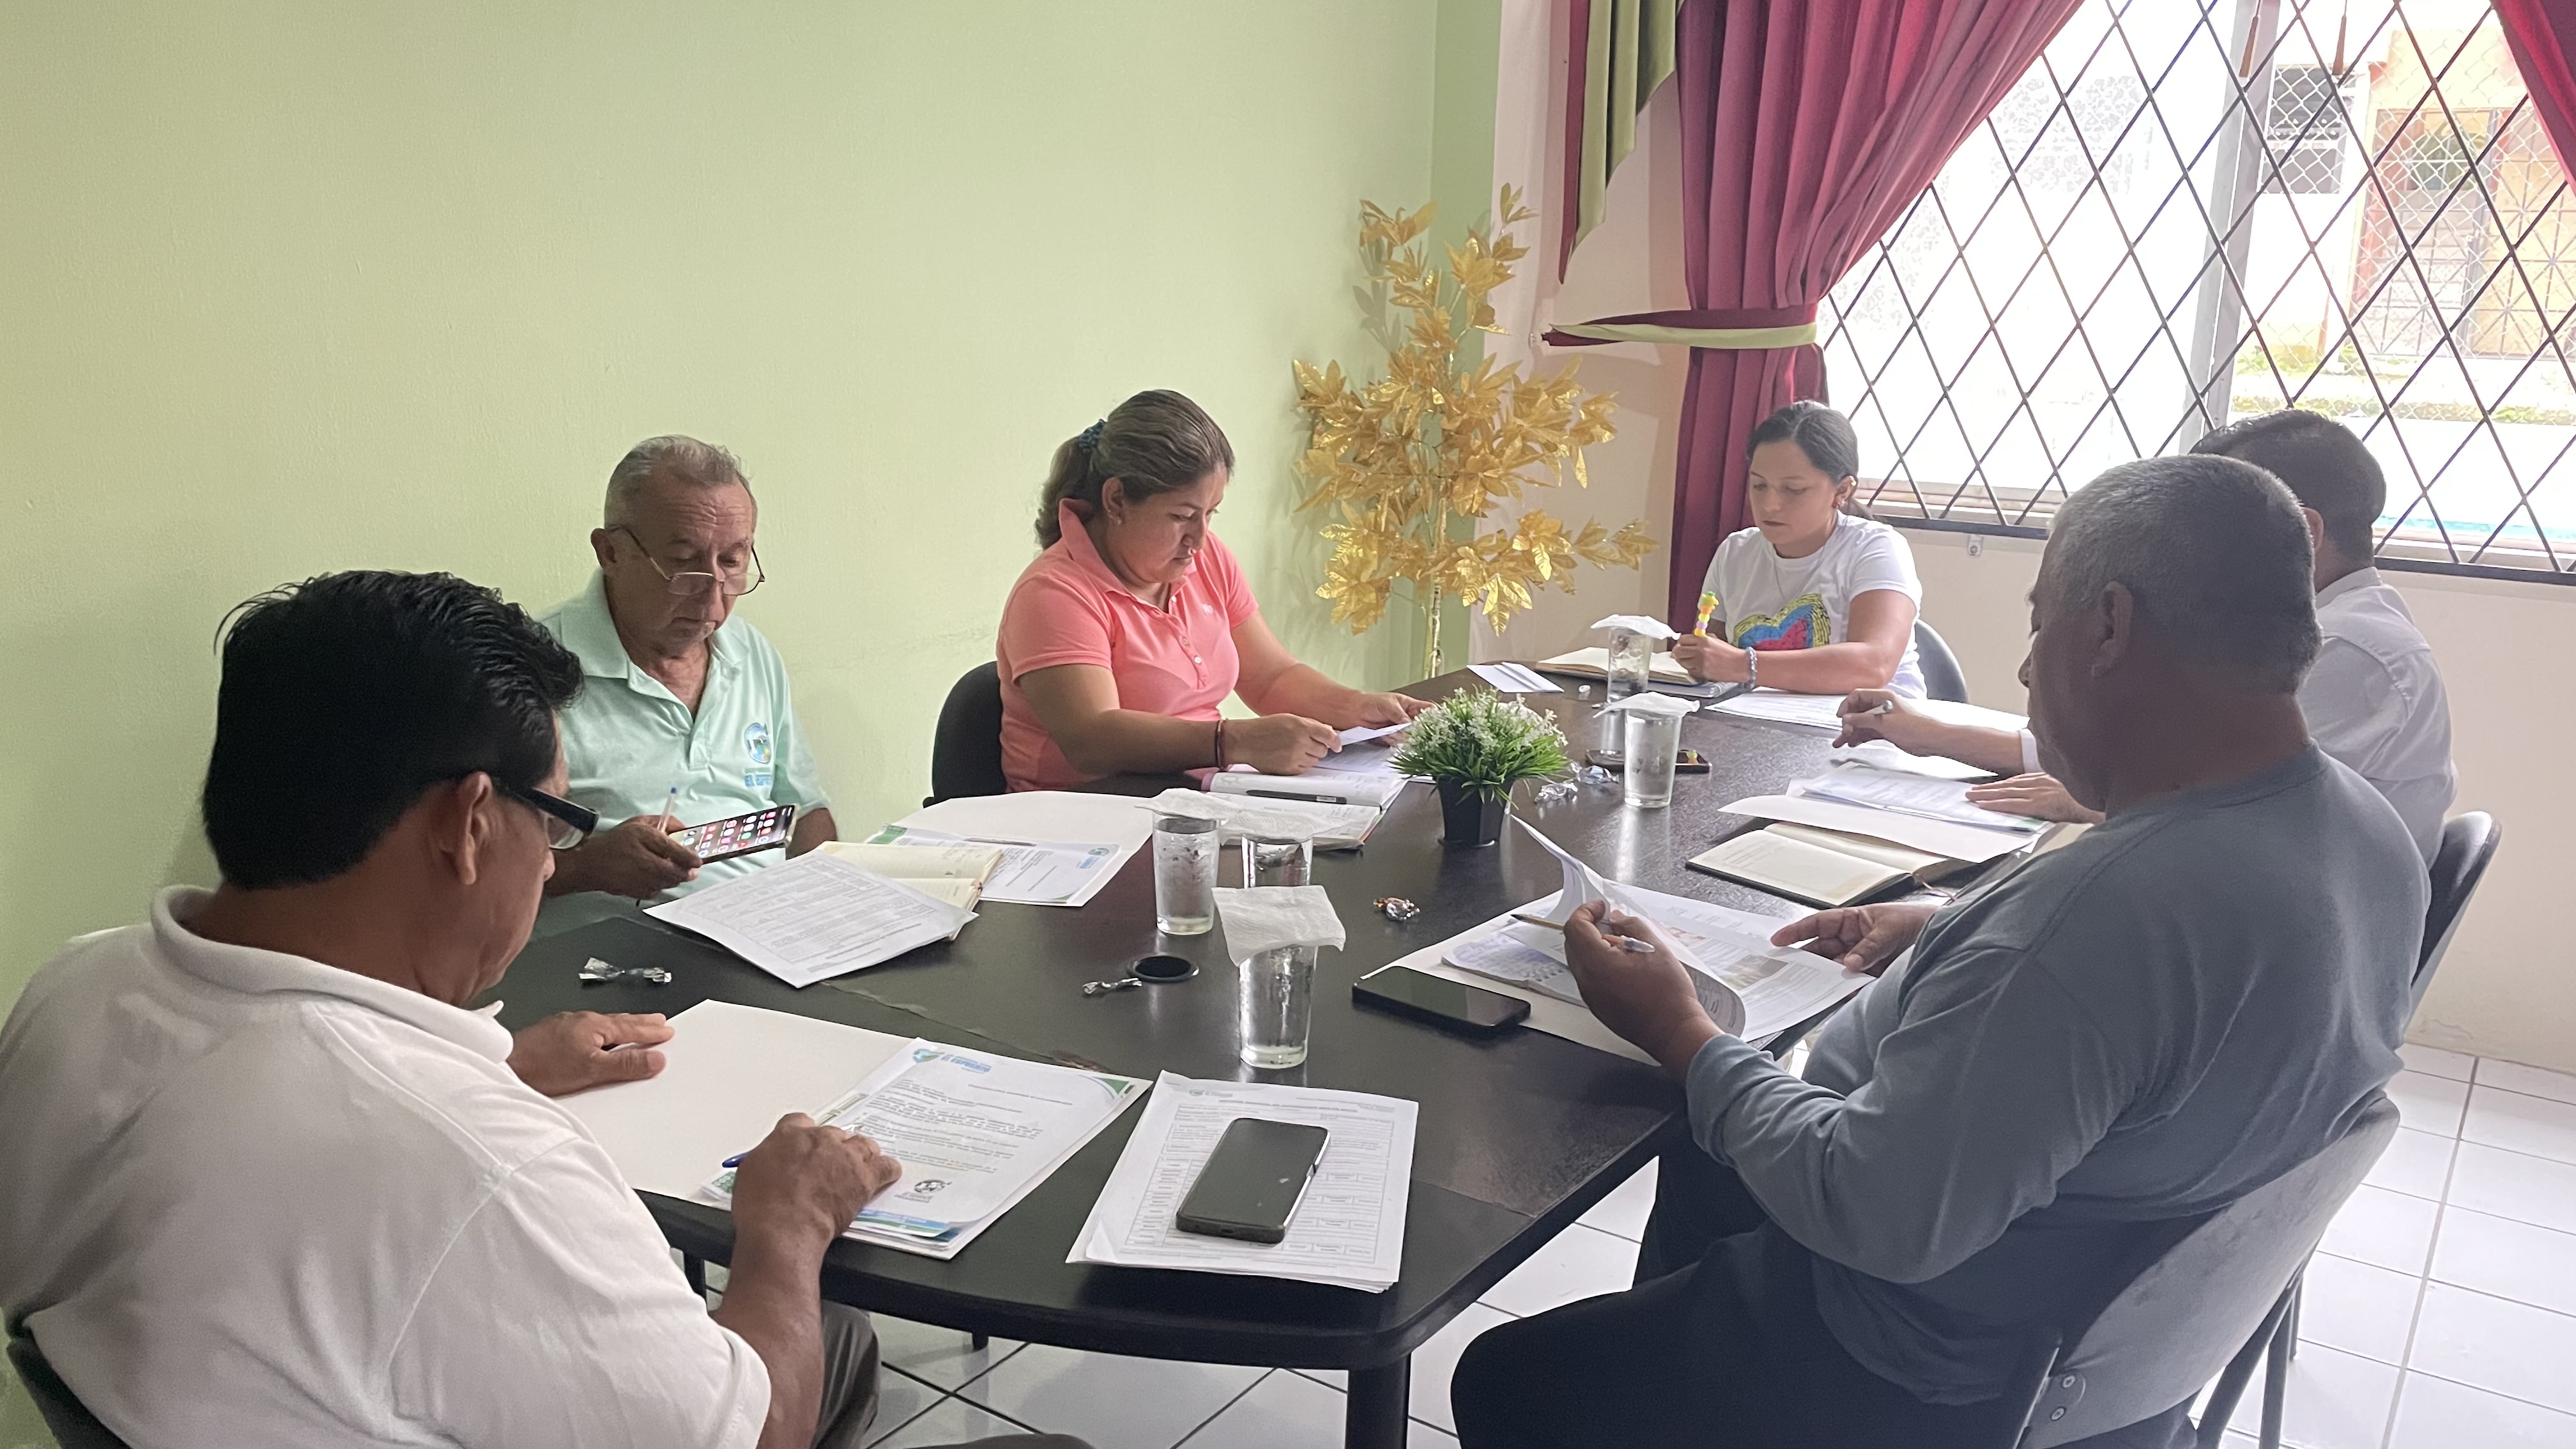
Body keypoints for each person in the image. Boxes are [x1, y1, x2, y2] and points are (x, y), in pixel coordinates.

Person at [1449, 457, 2423, 1448]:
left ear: (2110, 627)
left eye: (2041, 624)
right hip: (2083, 1314)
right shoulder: (2368, 833)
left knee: (1509, 1379)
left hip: (1900, 1369)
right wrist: (1958, 929)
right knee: (1706, 1166)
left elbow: (1876, 1217)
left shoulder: (2095, 926)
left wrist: (1682, 1032)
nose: (2028, 672)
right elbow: (2150, 1010)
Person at [0, 572, 1078, 1449]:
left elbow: (292, 1148)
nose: (554, 853)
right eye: (558, 820)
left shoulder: (77, 989)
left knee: (829, 1339)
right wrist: (787, 1228)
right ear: (470, 823)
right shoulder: (476, 1168)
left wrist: (493, 1069)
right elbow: (754, 1434)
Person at [1839, 410, 2457, 862]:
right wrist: (1933, 733)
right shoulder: (2309, 628)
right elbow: (2138, 753)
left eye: (2212, 521)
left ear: (2304, 532)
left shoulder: (2350, 651)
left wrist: (2086, 802)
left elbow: (2229, 814)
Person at [997, 389, 1429, 790]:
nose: (1200, 539)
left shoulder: (1204, 559)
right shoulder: (1054, 593)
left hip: (1194, 792)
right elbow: (1092, 741)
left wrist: (1357, 709)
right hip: (1086, 813)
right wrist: (1232, 742)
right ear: (1116, 501)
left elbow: (1270, 677)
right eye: (1181, 516)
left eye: (1210, 514)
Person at [540, 436, 834, 908]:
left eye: (732, 562)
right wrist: (590, 867)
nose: (714, 603)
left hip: (764, 929)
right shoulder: (533, 670)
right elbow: (479, 869)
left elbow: (806, 811)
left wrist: (823, 906)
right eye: (682, 564)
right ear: (610, 552)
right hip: (614, 945)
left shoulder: (750, 653)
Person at [1669, 401, 1926, 696]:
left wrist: (1744, 665)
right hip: (1760, 716)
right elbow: (1717, 658)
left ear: (1842, 490)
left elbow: (1873, 666)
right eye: (1759, 486)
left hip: (1869, 719)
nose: (1769, 505)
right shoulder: (1735, 552)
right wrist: (1701, 659)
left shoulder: (1875, 548)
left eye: (1793, 490)